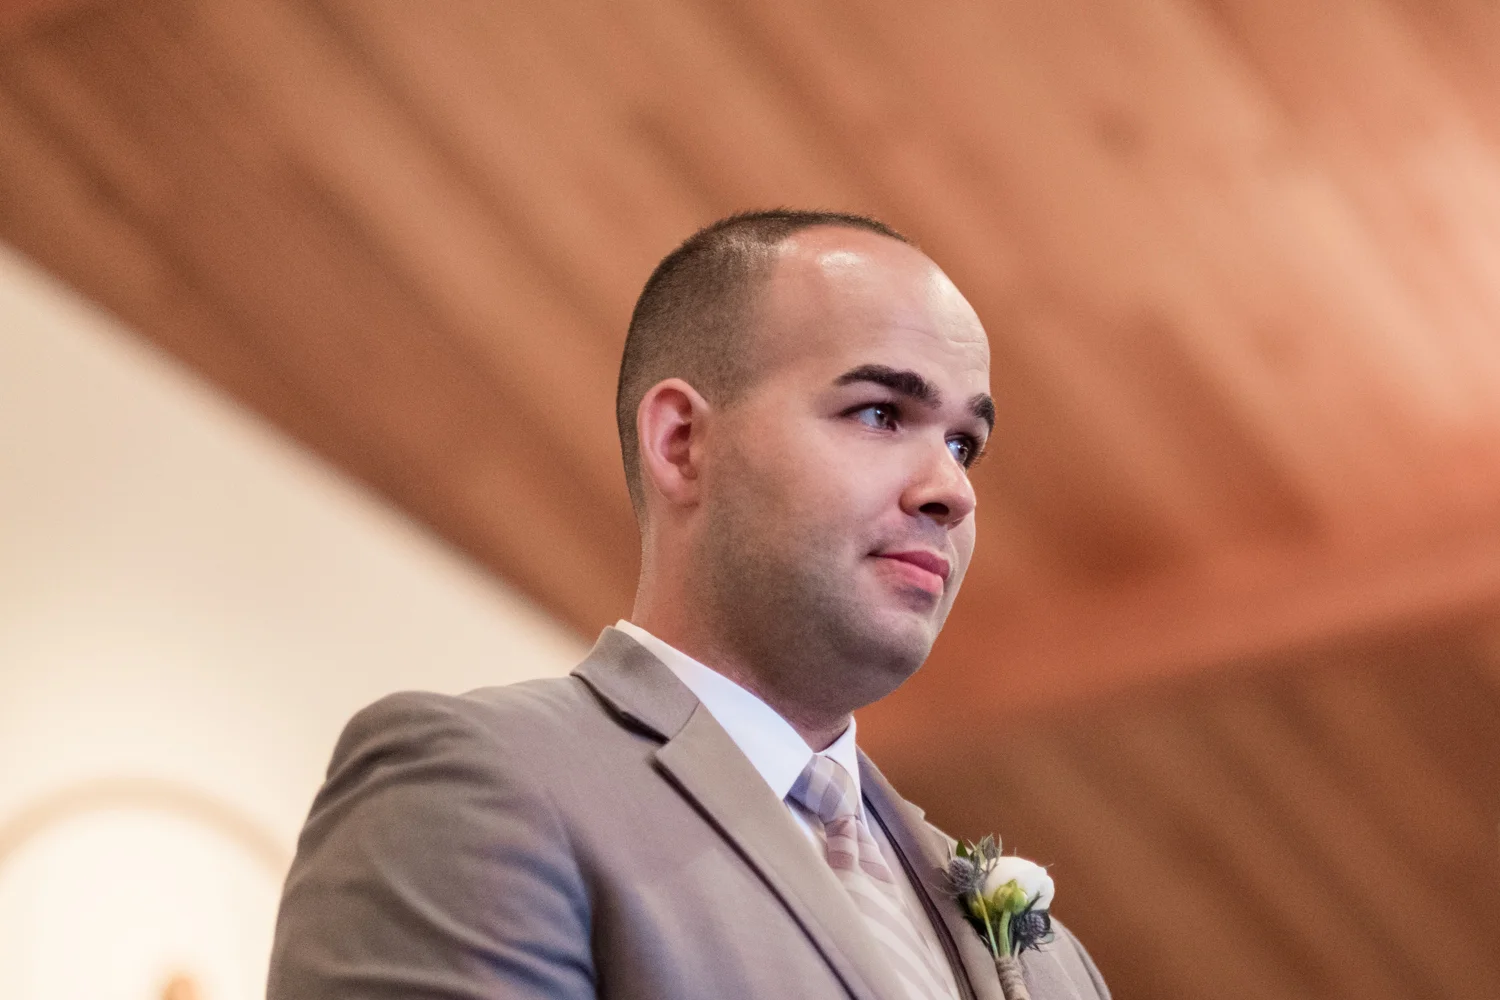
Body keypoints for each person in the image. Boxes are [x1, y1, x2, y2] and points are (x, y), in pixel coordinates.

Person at [266, 210, 1110, 1000]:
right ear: (681, 442)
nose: (952, 490)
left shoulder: (1053, 962)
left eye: (964, 443)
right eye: (881, 413)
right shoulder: (477, 787)